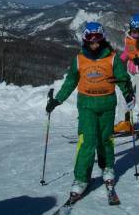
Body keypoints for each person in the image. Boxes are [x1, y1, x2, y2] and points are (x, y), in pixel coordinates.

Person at [45, 22, 134, 199]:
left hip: (107, 104)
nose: (94, 42)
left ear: (103, 38)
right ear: (85, 39)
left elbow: (122, 78)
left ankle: (107, 167)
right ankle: (81, 178)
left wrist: (128, 94)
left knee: (106, 138)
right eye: (90, 38)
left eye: (97, 38)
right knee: (87, 141)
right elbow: (71, 81)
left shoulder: (112, 57)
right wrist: (57, 100)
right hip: (87, 106)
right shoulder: (79, 59)